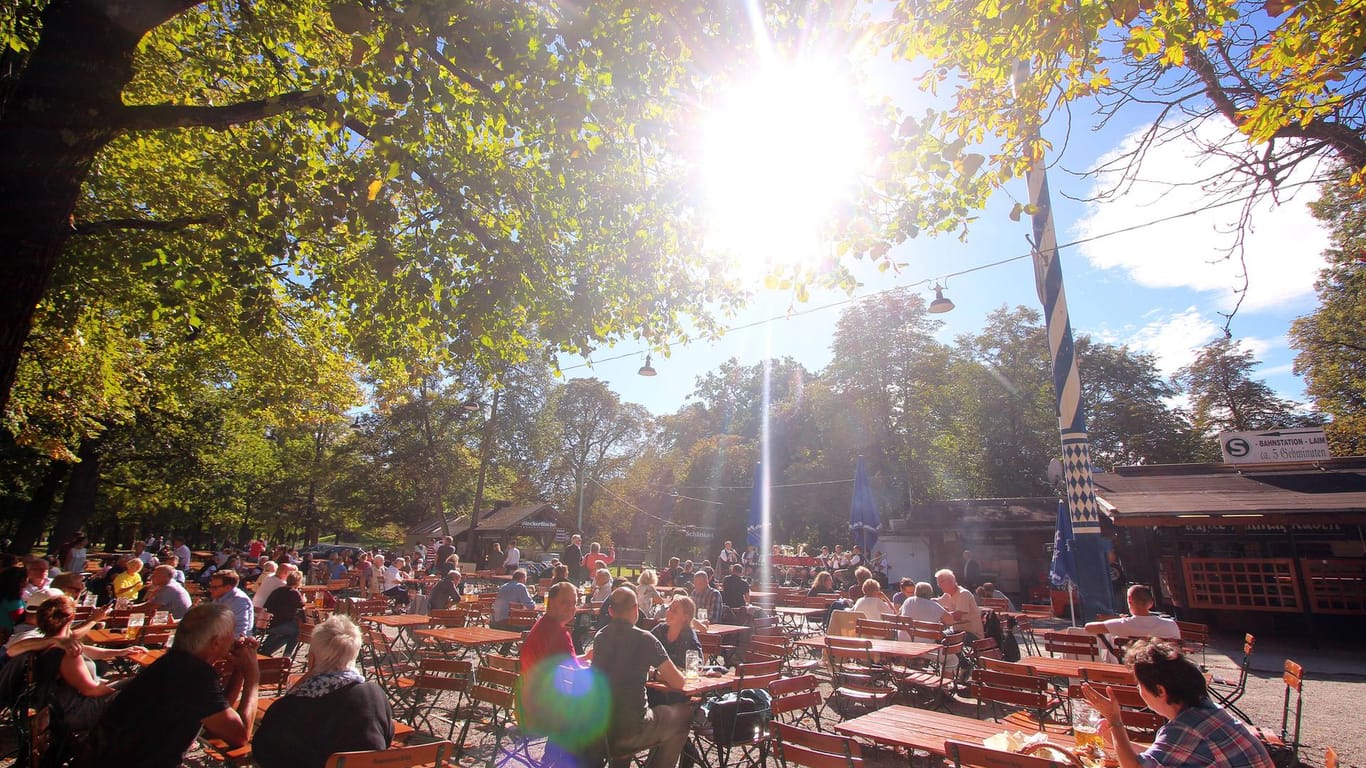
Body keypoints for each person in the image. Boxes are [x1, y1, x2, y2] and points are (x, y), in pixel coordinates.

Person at [83, 604, 261, 768]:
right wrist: (253, 676)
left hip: (105, 756)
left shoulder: (173, 662)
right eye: (232, 632)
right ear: (216, 642)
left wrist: (239, 671)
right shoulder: (194, 675)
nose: (236, 638)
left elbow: (218, 717)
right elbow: (240, 736)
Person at [1082, 640, 1272, 768]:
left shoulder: (1186, 727)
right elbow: (1158, 755)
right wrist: (1116, 738)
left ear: (1161, 691)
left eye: (1139, 684)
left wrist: (1115, 720)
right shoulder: (1207, 710)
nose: (1139, 691)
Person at [252, 615, 392, 768]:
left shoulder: (289, 707)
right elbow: (386, 739)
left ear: (312, 658)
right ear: (354, 654)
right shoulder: (375, 695)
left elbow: (262, 753)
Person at [591, 587, 690, 768]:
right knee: (683, 715)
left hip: (602, 729)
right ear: (636, 609)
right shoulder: (646, 638)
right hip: (634, 728)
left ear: (611, 611)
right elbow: (678, 681)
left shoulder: (600, 637)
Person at [21, 595, 139, 732]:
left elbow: (87, 650)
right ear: (71, 618)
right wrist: (125, 693)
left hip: (62, 705)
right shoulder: (67, 653)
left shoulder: (49, 641)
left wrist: (121, 652)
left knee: (137, 680)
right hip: (73, 711)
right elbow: (91, 690)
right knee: (141, 693)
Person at [1085, 585, 1180, 642]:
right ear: (1151, 604)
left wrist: (1118, 619)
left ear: (1130, 600)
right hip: (1168, 671)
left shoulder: (1123, 624)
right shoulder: (1170, 624)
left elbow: (1088, 627)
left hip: (1138, 668)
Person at [260, 570, 306, 657]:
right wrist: (304, 600)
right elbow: (302, 607)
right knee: (297, 632)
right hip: (278, 624)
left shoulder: (277, 590)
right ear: (298, 582)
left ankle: (266, 650)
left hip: (267, 623)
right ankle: (287, 655)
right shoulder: (294, 593)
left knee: (288, 634)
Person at [935, 568, 984, 638]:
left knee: (942, 638)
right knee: (936, 636)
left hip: (972, 634)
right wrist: (924, 600)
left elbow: (957, 616)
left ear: (950, 581)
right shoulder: (947, 594)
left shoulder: (963, 594)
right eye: (938, 583)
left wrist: (940, 616)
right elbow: (936, 602)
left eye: (940, 582)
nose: (939, 585)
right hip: (957, 631)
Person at [208, 569, 255, 638]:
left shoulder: (239, 601)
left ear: (228, 587)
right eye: (210, 586)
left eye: (214, 587)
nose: (210, 590)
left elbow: (240, 632)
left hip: (230, 642)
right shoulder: (219, 596)